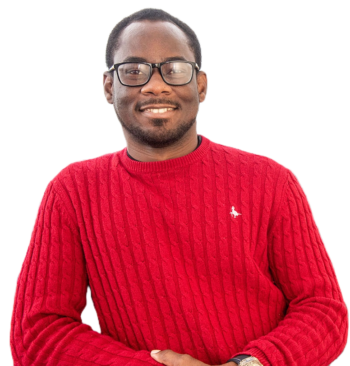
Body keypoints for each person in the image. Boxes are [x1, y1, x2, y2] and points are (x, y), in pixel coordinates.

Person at [9, 6, 348, 366]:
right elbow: (37, 333)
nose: (156, 85)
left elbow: (324, 310)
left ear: (200, 85)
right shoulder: (73, 191)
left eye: (173, 70)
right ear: (109, 86)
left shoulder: (270, 179)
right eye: (134, 71)